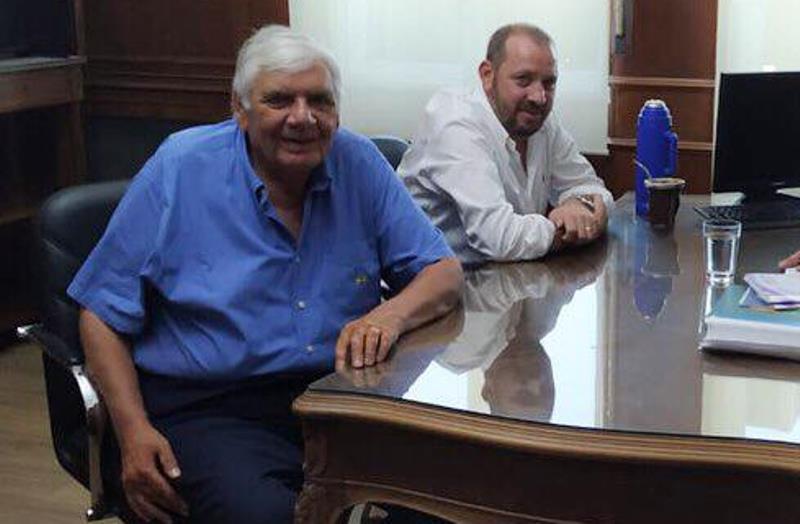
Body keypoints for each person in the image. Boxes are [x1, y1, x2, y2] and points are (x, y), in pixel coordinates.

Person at [67, 25, 462, 524]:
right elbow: (101, 315)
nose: (303, 117)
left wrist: (390, 315)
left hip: (339, 400)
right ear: (240, 108)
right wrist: (132, 431)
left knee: (456, 499)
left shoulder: (358, 161)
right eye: (279, 100)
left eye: (319, 101)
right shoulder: (181, 168)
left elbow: (444, 272)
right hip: (212, 408)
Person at [399, 23, 613, 264]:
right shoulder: (455, 122)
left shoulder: (540, 122)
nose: (539, 97)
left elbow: (591, 187)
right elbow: (498, 238)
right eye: (523, 80)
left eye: (549, 83)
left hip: (506, 275)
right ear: (487, 75)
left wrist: (579, 204)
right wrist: (568, 228)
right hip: (435, 279)